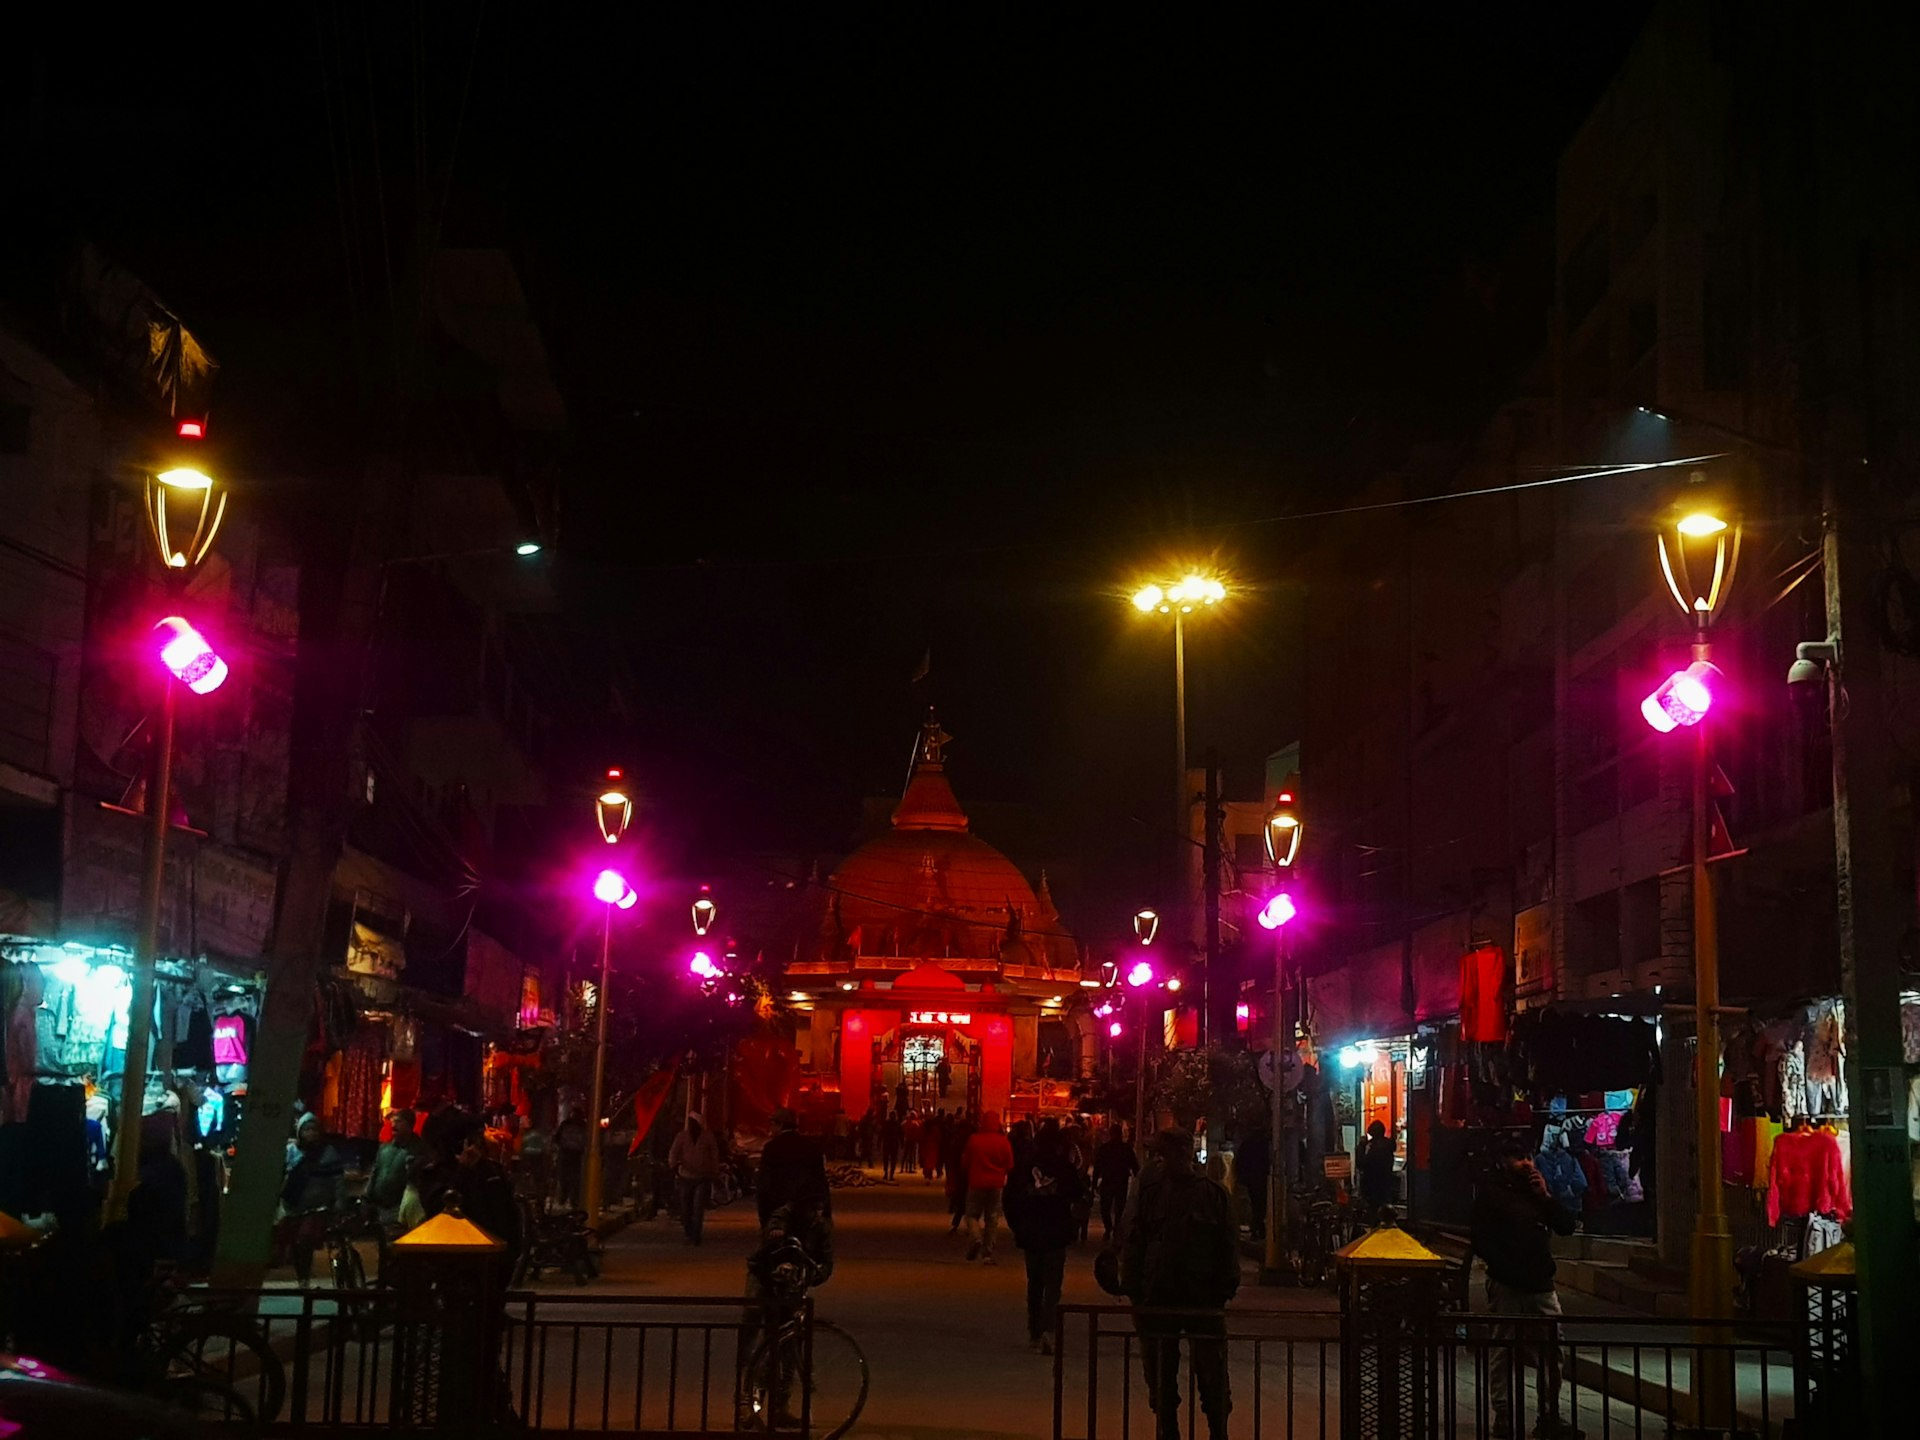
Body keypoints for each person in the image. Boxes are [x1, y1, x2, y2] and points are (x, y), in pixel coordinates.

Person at [1121, 1128, 1240, 1440]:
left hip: (1197, 1297)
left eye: (1164, 1154)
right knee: (1163, 1375)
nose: (1160, 1161)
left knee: (1210, 1375)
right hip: (1164, 1295)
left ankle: (1215, 1429)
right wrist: (1134, 1288)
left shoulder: (1211, 1194)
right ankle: (1170, 1428)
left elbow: (1228, 1247)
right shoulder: (1154, 1194)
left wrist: (1223, 1290)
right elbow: (1135, 1242)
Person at [1469, 1140, 1581, 1440]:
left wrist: (1545, 1196)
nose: (1527, 1163)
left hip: (1541, 1285)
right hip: (1508, 1285)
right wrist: (1505, 1269)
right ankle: (1504, 1415)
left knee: (1551, 1351)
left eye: (1529, 1156)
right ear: (1504, 1160)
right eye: (1518, 1157)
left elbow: (1567, 1225)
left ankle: (1550, 1414)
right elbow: (1481, 1240)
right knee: (1503, 1350)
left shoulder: (1536, 1194)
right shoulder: (1492, 1194)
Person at [743, 1109, 835, 1430]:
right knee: (787, 1338)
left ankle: (747, 1405)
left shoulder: (772, 1151)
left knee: (758, 1333)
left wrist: (769, 1226)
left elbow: (764, 1190)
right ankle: (775, 1405)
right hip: (795, 1254)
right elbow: (822, 1187)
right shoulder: (811, 1152)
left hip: (775, 1240)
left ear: (778, 1125)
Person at [1006, 1118, 1086, 1353]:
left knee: (1035, 1283)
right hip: (1056, 1232)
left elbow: (1010, 1198)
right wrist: (1073, 1226)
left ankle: (1035, 1332)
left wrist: (1017, 1227)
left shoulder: (1024, 1167)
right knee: (1053, 1284)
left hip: (1031, 1232)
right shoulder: (1064, 1167)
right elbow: (1078, 1196)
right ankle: (1048, 1329)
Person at [278, 1115, 347, 1285]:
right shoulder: (291, 1152)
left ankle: (305, 1277)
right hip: (292, 1206)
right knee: (295, 1243)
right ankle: (302, 1276)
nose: (311, 1133)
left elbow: (337, 1181)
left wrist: (339, 1202)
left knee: (305, 1240)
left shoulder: (328, 1153)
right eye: (306, 1129)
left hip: (318, 1208)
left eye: (314, 1129)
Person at [959, 1110, 1015, 1263]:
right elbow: (1010, 1164)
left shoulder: (974, 1140)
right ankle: (988, 1253)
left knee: (971, 1214)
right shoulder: (1003, 1141)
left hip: (976, 1182)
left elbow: (965, 1162)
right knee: (992, 1218)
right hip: (996, 1184)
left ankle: (976, 1237)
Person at [668, 1112, 723, 1244]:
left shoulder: (707, 1137)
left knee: (698, 1207)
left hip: (702, 1177)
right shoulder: (682, 1137)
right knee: (685, 1207)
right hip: (685, 1176)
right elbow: (673, 1153)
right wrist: (674, 1167)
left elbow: (714, 1154)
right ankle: (688, 1231)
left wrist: (714, 1170)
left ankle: (696, 1235)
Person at [369, 1109, 423, 1223]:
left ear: (409, 1125)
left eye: (398, 1121)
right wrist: (366, 1196)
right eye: (392, 1121)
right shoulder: (385, 1149)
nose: (393, 1125)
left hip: (399, 1208)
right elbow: (375, 1172)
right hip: (378, 1208)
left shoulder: (418, 1149)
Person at [1094, 1125, 1141, 1241]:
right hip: (1121, 1181)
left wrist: (1094, 1183)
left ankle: (1109, 1227)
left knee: (1105, 1207)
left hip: (1108, 1180)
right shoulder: (1126, 1148)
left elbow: (1097, 1167)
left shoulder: (1105, 1148)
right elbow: (1134, 1166)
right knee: (1119, 1207)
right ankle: (1116, 1228)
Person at [1235, 1125, 1270, 1241]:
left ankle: (1257, 1228)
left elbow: (1240, 1162)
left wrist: (1242, 1178)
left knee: (1256, 1205)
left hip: (1252, 1179)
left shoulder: (1248, 1144)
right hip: (1262, 1178)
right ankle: (1260, 1228)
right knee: (1262, 1205)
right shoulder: (1265, 1144)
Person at [1359, 1120, 1397, 1216]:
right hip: (1386, 1182)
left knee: (1374, 1211)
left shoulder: (1373, 1147)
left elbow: (1363, 1163)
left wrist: (1361, 1148)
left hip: (1372, 1184)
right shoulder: (1388, 1145)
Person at [555, 1110, 588, 1211]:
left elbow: (557, 1138)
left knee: (565, 1177)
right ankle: (571, 1201)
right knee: (572, 1178)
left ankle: (564, 1200)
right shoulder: (582, 1125)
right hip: (574, 1155)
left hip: (567, 1154)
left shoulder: (566, 1124)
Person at [880, 1107, 904, 1180]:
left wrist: (879, 1142)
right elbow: (900, 1135)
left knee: (887, 1160)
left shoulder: (887, 1123)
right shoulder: (896, 1124)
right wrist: (901, 1143)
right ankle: (889, 1174)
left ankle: (887, 1174)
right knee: (891, 1160)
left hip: (888, 1143)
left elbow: (882, 1133)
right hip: (893, 1144)